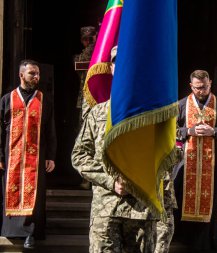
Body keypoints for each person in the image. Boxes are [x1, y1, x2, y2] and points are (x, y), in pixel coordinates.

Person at [71, 46, 158, 253]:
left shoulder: (153, 113)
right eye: (118, 61)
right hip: (106, 209)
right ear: (111, 67)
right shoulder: (97, 113)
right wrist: (111, 181)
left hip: (142, 211)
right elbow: (79, 155)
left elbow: (167, 154)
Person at [174, 69, 217, 251]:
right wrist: (189, 131)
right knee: (180, 199)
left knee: (211, 204)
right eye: (197, 88)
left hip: (211, 164)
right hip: (185, 164)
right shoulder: (182, 105)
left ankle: (208, 243)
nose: (201, 91)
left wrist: (214, 132)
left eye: (204, 87)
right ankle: (182, 241)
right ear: (191, 86)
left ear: (210, 84)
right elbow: (171, 131)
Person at [0, 59, 57, 249]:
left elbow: (50, 130)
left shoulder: (43, 100)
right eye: (32, 73)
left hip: (36, 157)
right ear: (21, 75)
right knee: (11, 190)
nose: (36, 77)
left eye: (38, 73)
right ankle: (11, 230)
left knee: (34, 193)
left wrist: (51, 155)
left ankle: (31, 234)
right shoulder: (7, 99)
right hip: (12, 157)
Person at [74, 26, 97, 190]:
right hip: (91, 100)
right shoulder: (98, 51)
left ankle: (87, 179)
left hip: (90, 102)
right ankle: (88, 179)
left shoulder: (93, 51)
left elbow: (79, 62)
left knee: (87, 139)